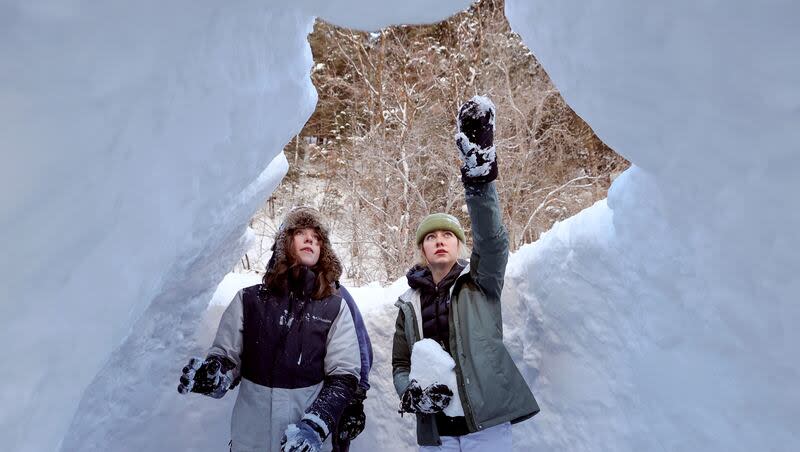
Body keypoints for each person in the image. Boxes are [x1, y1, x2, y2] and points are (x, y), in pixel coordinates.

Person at [392, 96, 540, 451]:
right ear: (422, 250)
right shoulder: (408, 304)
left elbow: (493, 242)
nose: (439, 241)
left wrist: (479, 182)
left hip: (485, 428)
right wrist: (410, 392)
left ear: (458, 246)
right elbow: (400, 363)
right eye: (431, 237)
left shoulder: (480, 282)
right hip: (436, 434)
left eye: (447, 236)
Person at [178, 207, 363, 452]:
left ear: (323, 251)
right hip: (250, 439)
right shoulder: (248, 300)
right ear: (284, 242)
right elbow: (227, 358)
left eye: (317, 238)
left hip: (302, 443)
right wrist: (215, 377)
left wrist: (315, 426)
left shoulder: (335, 308)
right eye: (301, 233)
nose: (310, 239)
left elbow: (344, 377)